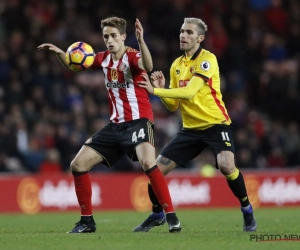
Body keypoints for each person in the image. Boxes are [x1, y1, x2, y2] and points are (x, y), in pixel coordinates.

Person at [37, 17, 181, 233]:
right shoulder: (103, 58)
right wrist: (59, 52)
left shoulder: (132, 56)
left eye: (114, 36)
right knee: (77, 165)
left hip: (139, 121)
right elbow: (76, 65)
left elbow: (148, 66)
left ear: (123, 36)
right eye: (106, 36)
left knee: (148, 163)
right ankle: (87, 222)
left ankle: (171, 216)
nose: (109, 40)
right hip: (114, 126)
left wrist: (142, 41)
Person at [135, 17, 257, 232]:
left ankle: (246, 208)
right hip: (190, 130)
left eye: (189, 32)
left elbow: (190, 92)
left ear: (200, 38)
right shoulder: (176, 65)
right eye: (182, 31)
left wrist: (156, 91)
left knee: (227, 165)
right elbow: (173, 106)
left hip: (216, 124)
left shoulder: (207, 60)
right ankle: (156, 213)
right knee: (155, 171)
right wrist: (162, 89)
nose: (183, 35)